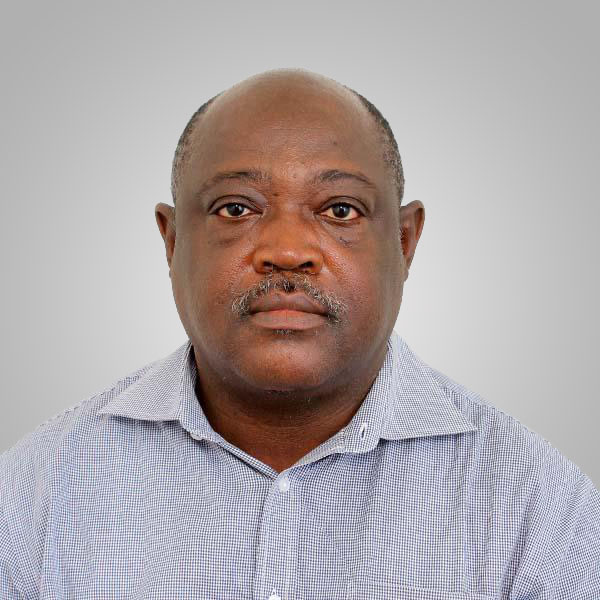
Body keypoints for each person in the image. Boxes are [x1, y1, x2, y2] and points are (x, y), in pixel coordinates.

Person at [1, 69, 598, 600]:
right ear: (173, 241)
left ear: (404, 242)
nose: (287, 251)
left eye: (340, 210)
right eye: (236, 209)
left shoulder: (538, 507)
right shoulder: (36, 495)